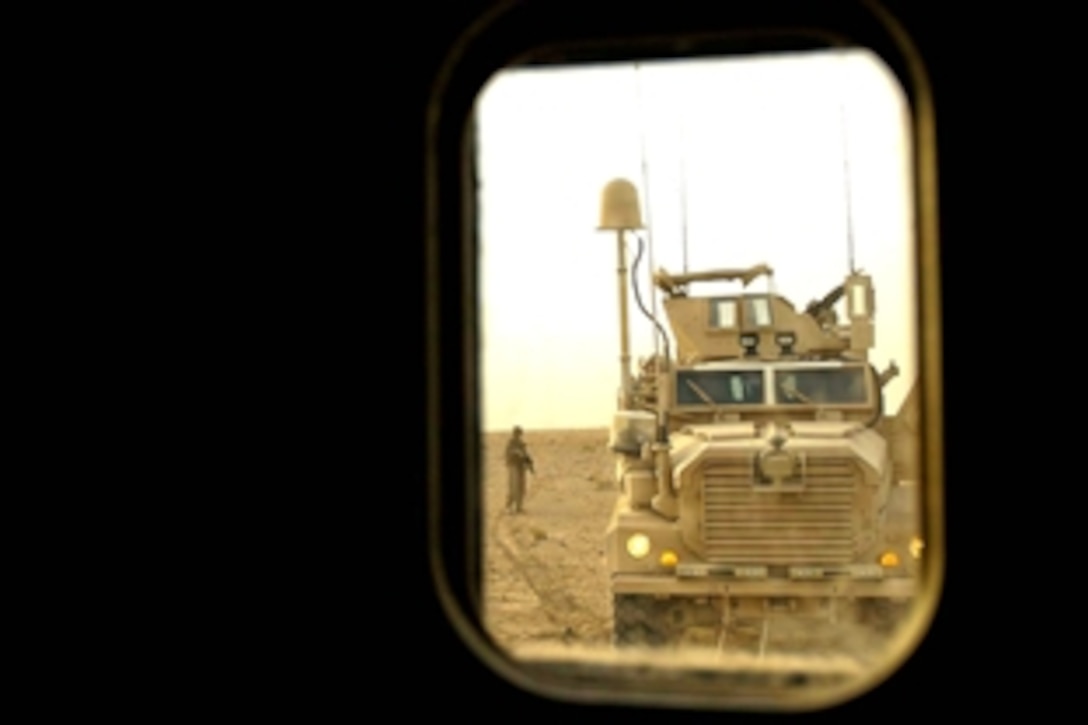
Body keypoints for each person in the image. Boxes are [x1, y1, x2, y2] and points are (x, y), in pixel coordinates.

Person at [505, 425, 535, 514]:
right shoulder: (511, 444)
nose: (518, 435)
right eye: (517, 433)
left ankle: (519, 507)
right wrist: (517, 454)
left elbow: (526, 455)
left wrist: (530, 466)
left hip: (521, 467)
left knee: (521, 488)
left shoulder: (521, 444)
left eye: (519, 434)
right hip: (514, 467)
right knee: (513, 488)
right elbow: (509, 455)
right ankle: (509, 507)